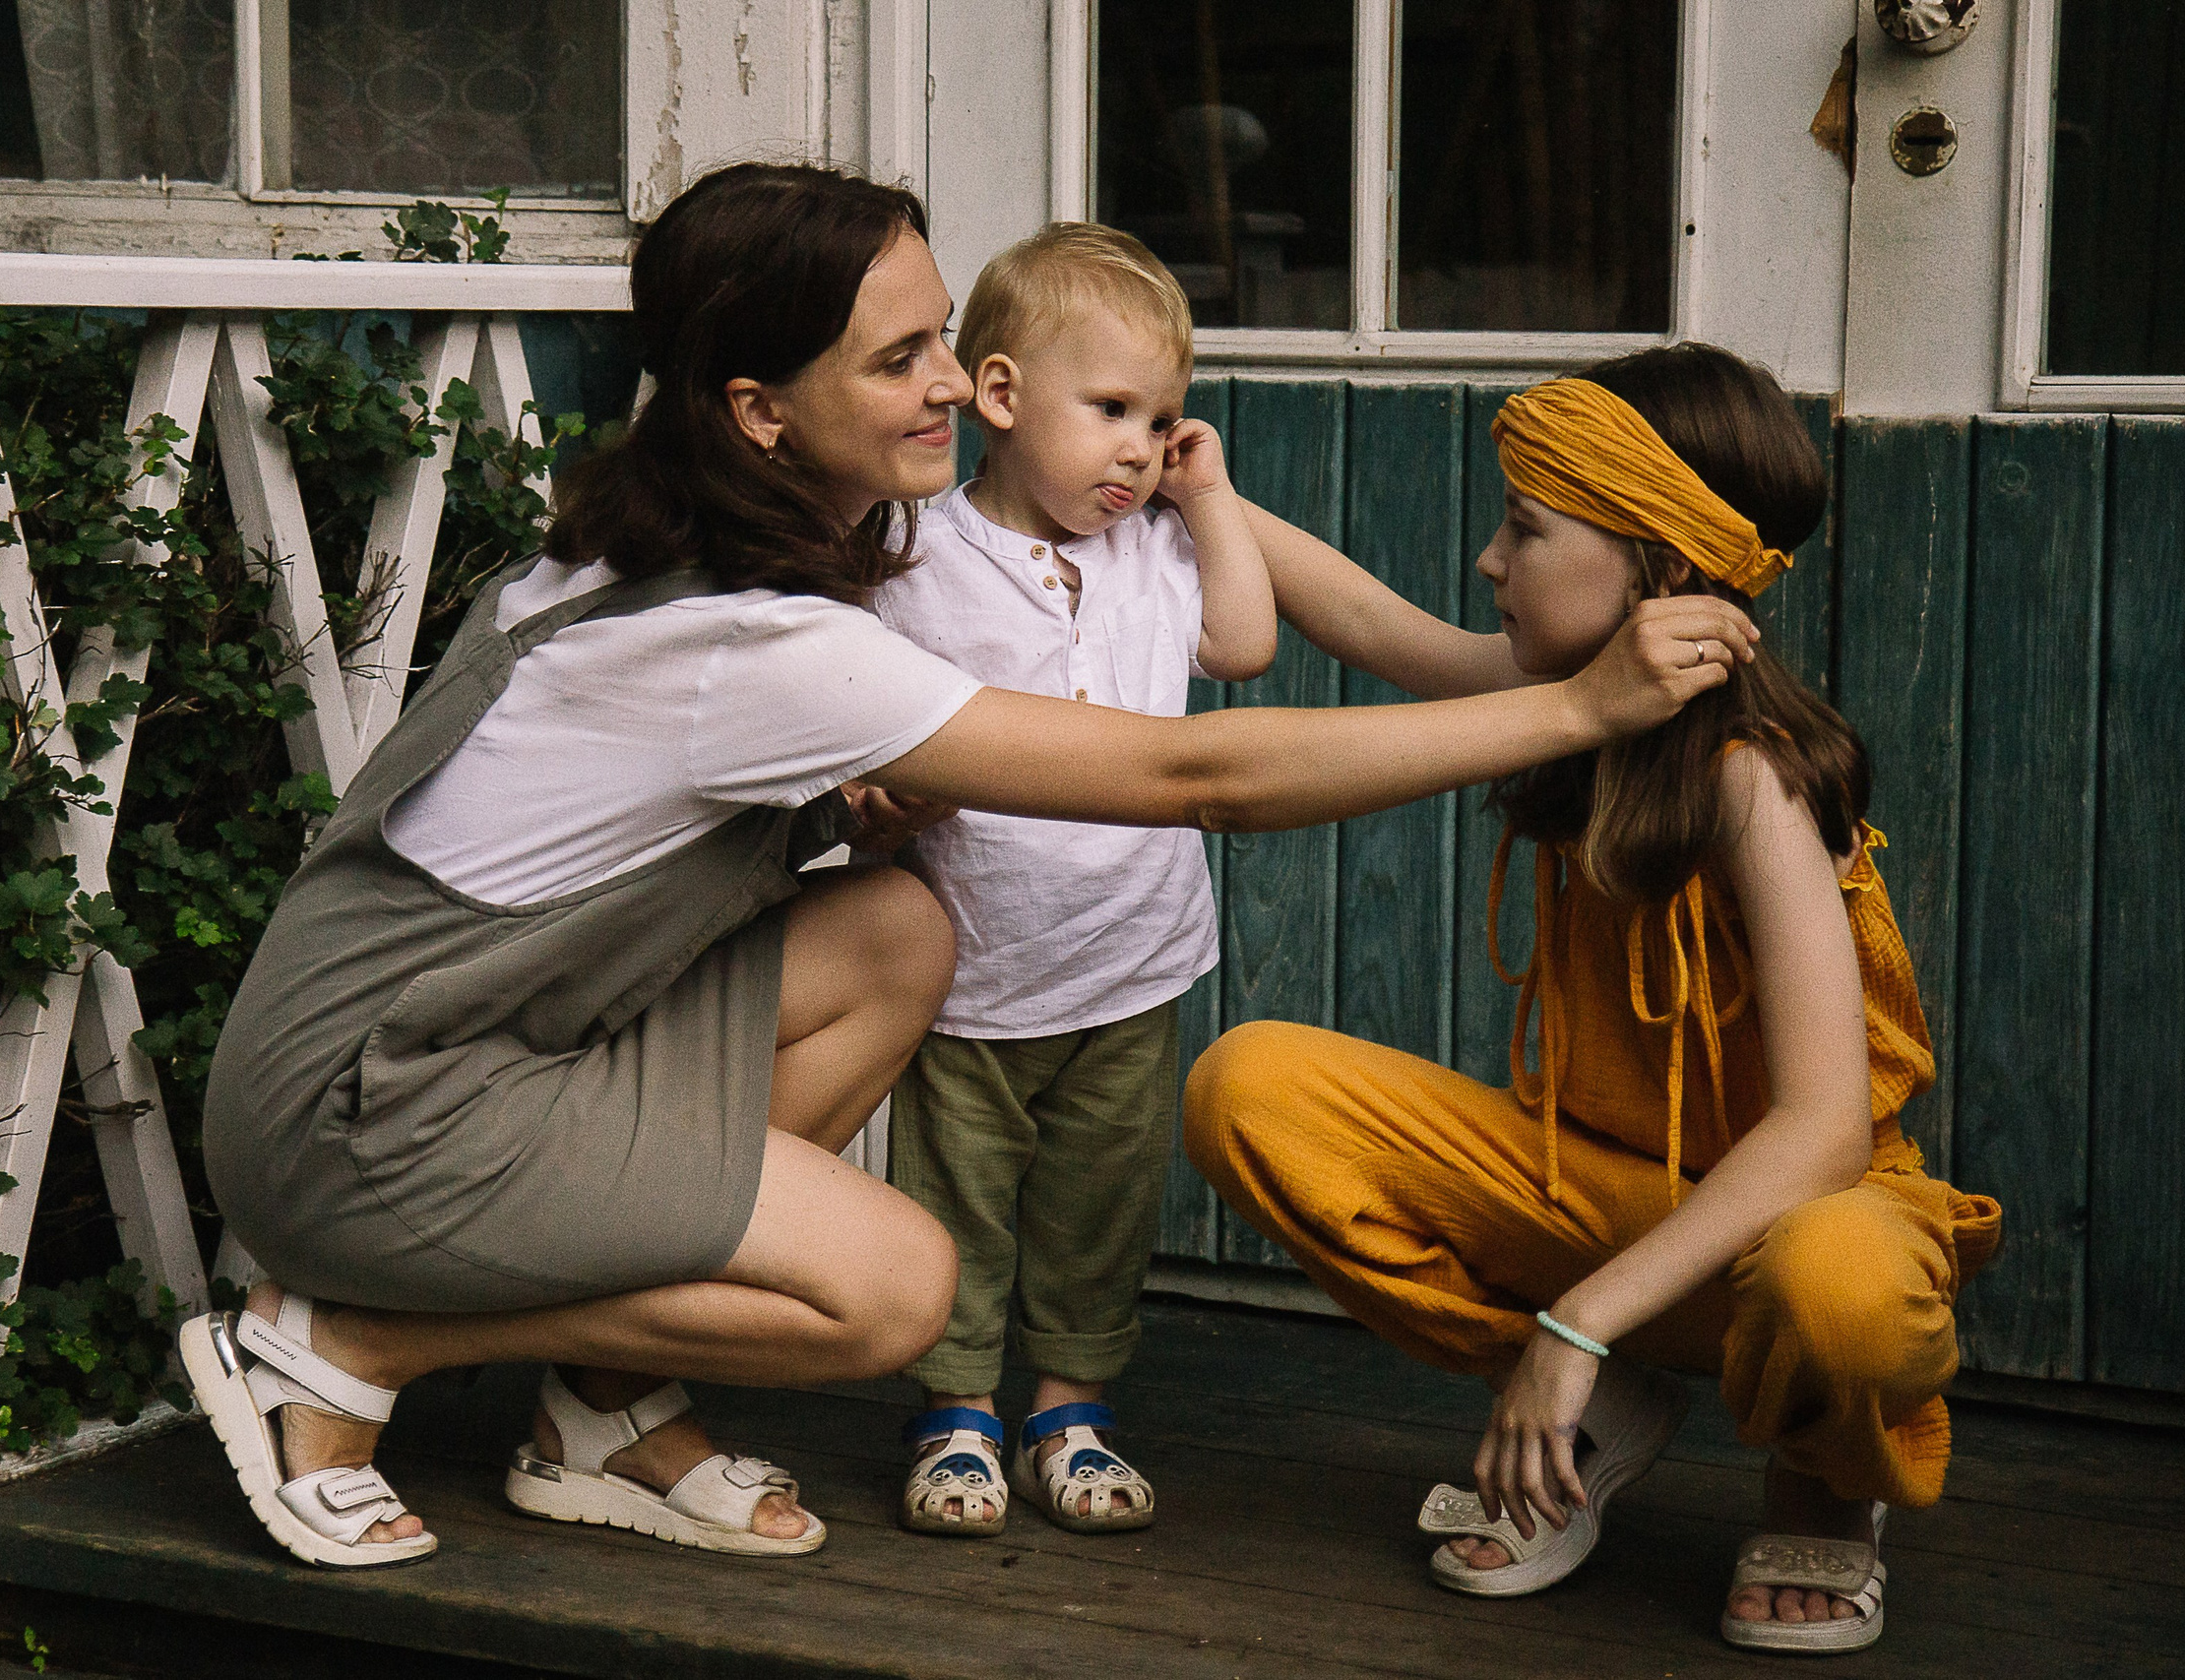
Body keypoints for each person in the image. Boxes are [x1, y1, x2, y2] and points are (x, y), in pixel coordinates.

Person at [177, 162, 1760, 1571]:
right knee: (894, 1294)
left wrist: (1513, 656)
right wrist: (1575, 704)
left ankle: (595, 1409)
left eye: (944, 337)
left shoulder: (687, 532)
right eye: (901, 358)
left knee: (891, 935)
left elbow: (1312, 614)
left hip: (472, 1034)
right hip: (367, 1108)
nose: (955, 383)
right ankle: (351, 1335)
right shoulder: (762, 634)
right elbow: (1195, 775)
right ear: (759, 409)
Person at [1181, 344, 2003, 1654]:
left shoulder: (1753, 780)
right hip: (1599, 1193)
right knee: (1249, 1089)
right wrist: (1186, 479)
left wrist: (1579, 1320)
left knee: (1835, 1280)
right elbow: (1385, 628)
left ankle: (1825, 1486)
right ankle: (1587, 1406)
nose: (1489, 563)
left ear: (1661, 571)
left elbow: (1823, 1135)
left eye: (1525, 528)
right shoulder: (1574, 703)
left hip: (1802, 1219)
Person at [863, 223, 1276, 1537]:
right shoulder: (916, 553)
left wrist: (1206, 501)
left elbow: (1247, 644)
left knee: (1101, 1200)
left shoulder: (1154, 550)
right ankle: (956, 1413)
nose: (1140, 447)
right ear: (997, 396)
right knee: (961, 1199)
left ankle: (1067, 1409)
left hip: (1132, 954)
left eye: (1163, 419)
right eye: (1110, 411)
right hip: (977, 964)